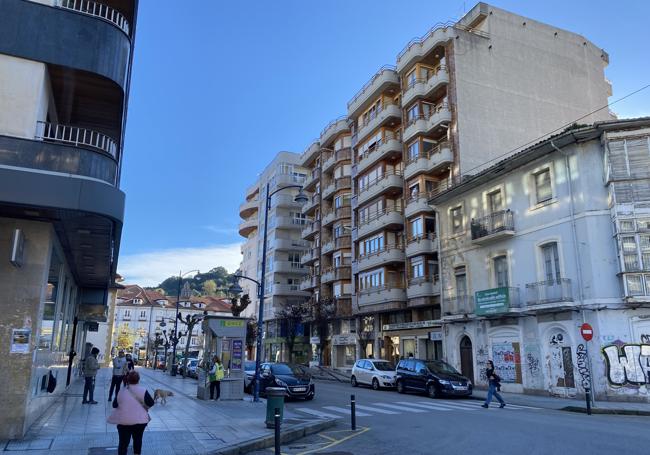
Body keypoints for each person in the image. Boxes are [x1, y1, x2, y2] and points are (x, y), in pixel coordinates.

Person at [108, 371, 155, 455]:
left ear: (128, 380)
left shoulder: (121, 391)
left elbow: (114, 405)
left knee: (123, 443)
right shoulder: (143, 390)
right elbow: (151, 403)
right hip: (140, 421)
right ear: (138, 380)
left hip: (123, 421)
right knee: (138, 439)